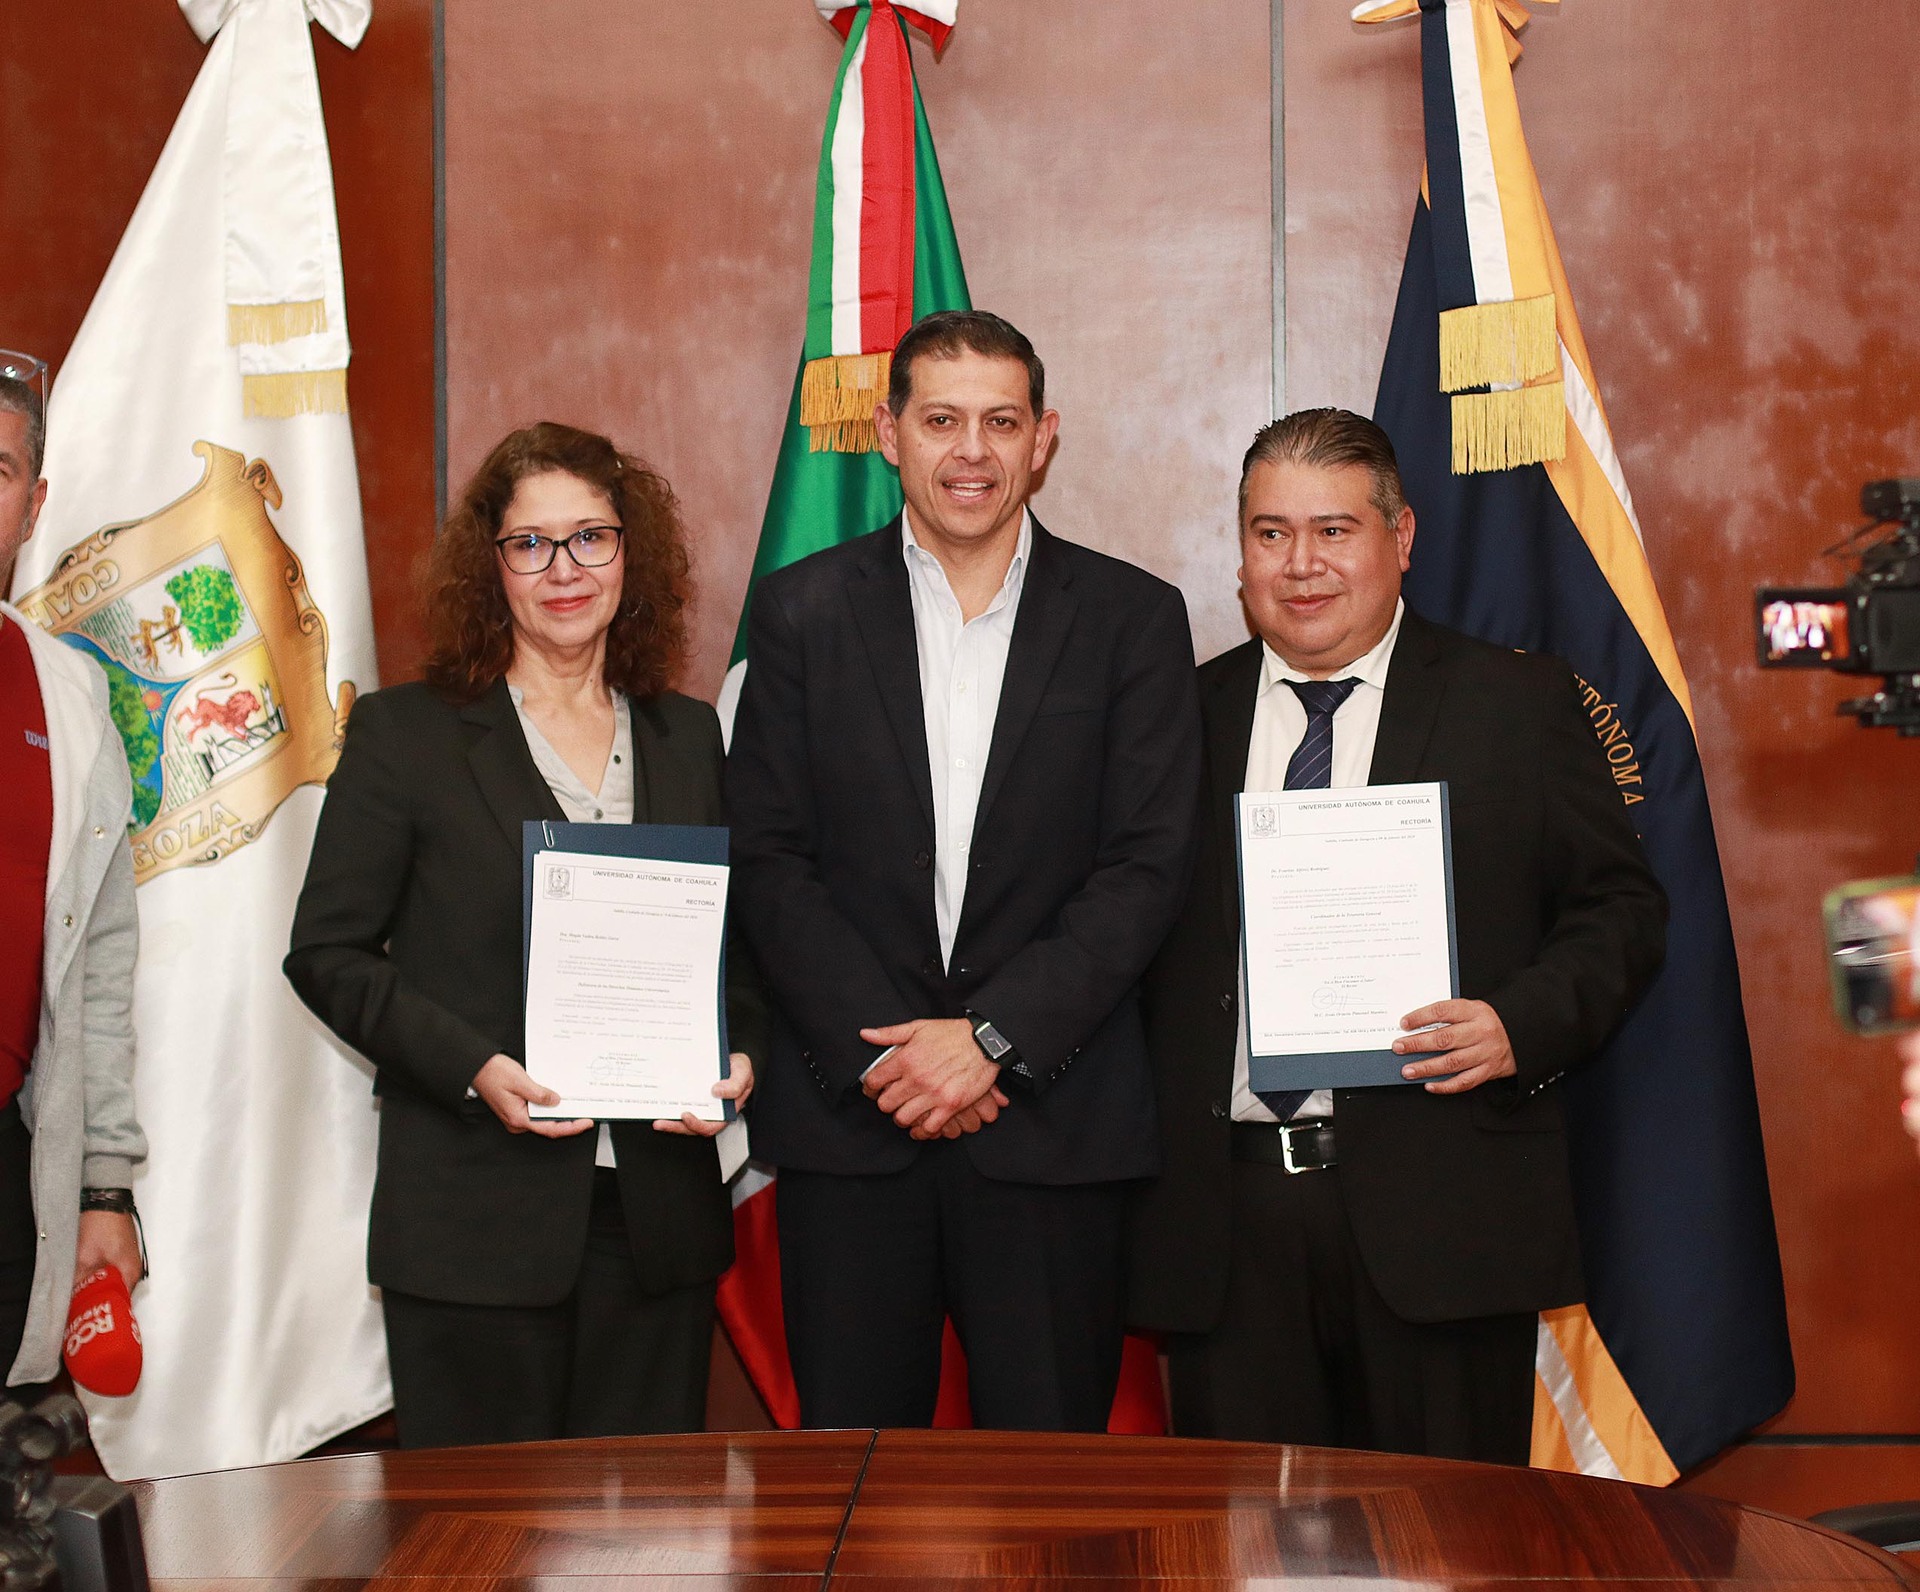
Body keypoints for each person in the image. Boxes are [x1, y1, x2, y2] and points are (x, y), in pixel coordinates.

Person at [1128, 408, 1667, 1463]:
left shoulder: (1518, 703)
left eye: (1334, 530)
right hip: (1227, 1230)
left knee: (1443, 1537)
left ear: (1401, 536)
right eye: (1272, 532)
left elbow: (1623, 909)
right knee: (1244, 1537)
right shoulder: (1173, 717)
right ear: (1241, 551)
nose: (1302, 564)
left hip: (1446, 1217)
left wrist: (1517, 1023)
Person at [725, 311, 1203, 1431]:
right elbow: (770, 857)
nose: (972, 451)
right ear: (888, 432)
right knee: (854, 1485)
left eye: (1002, 421)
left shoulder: (1132, 619)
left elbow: (1145, 866)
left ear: (1045, 437)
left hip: (1050, 1131)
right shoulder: (800, 613)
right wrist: (895, 1058)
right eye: (942, 420)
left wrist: (990, 1039)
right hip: (857, 1130)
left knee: (1047, 1491)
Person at [285, 422, 763, 1447]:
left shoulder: (688, 735)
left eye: (591, 537)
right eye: (530, 544)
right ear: (489, 565)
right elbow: (325, 952)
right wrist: (471, 1067)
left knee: (651, 1527)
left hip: (657, 1224)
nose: (564, 569)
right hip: (472, 1224)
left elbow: (742, 946)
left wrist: (738, 1056)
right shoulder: (406, 734)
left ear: (630, 553)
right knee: (482, 1526)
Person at [0, 355, 146, 1394]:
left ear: (33, 502)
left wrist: (104, 1185)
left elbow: (98, 964)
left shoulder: (70, 694)